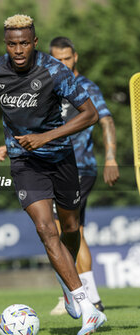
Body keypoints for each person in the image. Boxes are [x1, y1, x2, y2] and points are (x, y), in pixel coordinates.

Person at [0, 14, 107, 335]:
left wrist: (46, 138)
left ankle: (68, 284)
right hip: (25, 162)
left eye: (24, 43)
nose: (18, 49)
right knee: (45, 230)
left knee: (70, 229)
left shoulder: (55, 71)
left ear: (34, 42)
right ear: (5, 44)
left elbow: (90, 114)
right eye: (12, 44)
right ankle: (87, 306)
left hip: (61, 158)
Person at [48, 37, 119, 316]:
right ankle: (79, 294)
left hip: (79, 168)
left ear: (75, 57)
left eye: (67, 58)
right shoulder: (51, 87)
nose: (63, 63)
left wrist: (111, 156)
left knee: (63, 229)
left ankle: (83, 295)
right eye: (57, 59)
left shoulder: (85, 87)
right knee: (73, 230)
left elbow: (107, 119)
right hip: (57, 167)